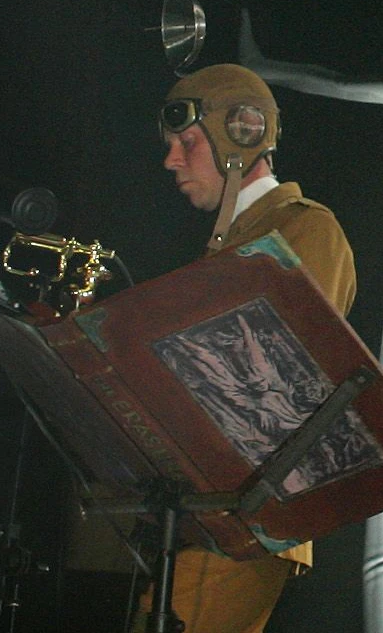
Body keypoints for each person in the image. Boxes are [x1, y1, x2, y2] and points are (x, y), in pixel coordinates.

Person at [146, 63, 357, 633]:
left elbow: (284, 374)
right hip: (207, 510)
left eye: (186, 143)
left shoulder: (307, 230)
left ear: (241, 134)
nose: (171, 161)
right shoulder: (231, 244)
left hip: (255, 510)